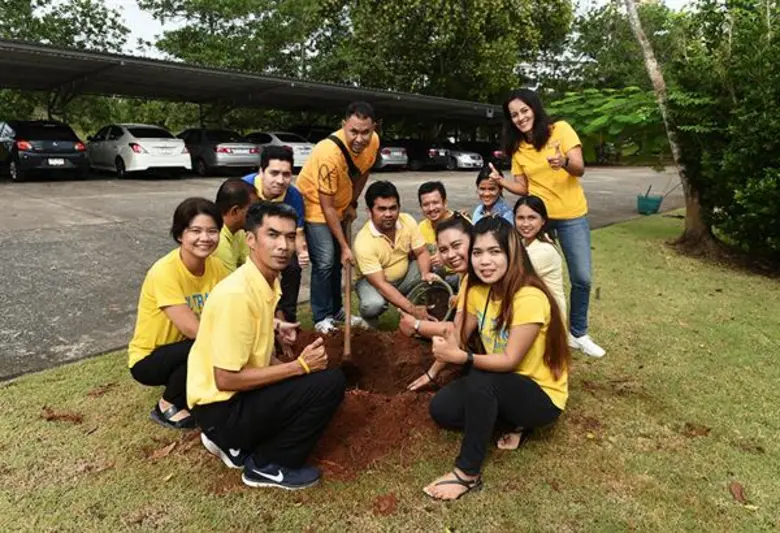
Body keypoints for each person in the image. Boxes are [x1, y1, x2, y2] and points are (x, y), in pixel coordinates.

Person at [187, 201, 346, 489]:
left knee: (310, 377)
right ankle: (268, 464)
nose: (283, 245)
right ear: (250, 240)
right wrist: (299, 367)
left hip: (222, 406)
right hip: (220, 408)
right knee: (330, 382)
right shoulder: (238, 295)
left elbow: (256, 356)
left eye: (289, 236)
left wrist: (295, 370)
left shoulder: (265, 282)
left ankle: (229, 441)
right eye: (272, 235)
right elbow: (225, 378)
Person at [421, 217, 570, 501]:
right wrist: (442, 347)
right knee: (443, 409)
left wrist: (463, 357)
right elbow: (460, 336)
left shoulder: (528, 296)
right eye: (477, 253)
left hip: (540, 396)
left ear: (512, 253)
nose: (485, 261)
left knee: (480, 376)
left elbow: (509, 360)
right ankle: (508, 423)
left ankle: (467, 473)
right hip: (504, 385)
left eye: (494, 252)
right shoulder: (479, 291)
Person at [490, 88, 605, 357]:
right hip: (539, 220)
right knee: (531, 275)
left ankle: (578, 333)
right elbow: (523, 187)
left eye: (524, 111)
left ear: (535, 108)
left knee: (582, 278)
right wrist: (500, 182)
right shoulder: (518, 148)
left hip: (572, 215)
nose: (520, 118)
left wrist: (563, 161)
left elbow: (579, 167)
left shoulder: (561, 130)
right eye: (514, 115)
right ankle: (536, 329)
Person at [128, 198, 229, 429]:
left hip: (184, 348)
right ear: (180, 235)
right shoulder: (165, 271)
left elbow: (235, 305)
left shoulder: (217, 267)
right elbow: (192, 330)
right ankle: (166, 405)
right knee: (209, 344)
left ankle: (196, 392)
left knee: (211, 344)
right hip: (149, 358)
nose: (205, 238)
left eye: (212, 231)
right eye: (196, 230)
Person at [296, 101, 380, 333]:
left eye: (366, 131)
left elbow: (363, 172)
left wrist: (352, 203)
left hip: (340, 203)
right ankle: (321, 317)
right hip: (315, 204)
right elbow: (326, 206)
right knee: (325, 260)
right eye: (353, 131)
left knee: (335, 264)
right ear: (344, 126)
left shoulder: (373, 142)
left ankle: (337, 311)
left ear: (374, 128)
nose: (360, 138)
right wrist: (344, 245)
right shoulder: (328, 154)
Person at [400, 213, 473, 391]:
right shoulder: (467, 277)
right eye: (443, 249)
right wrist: (431, 374)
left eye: (457, 245)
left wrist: (416, 325)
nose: (451, 255)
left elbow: (455, 332)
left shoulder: (476, 281)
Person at [353, 180, 436, 327]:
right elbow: (381, 285)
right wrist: (412, 309)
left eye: (393, 208)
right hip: (374, 283)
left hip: (404, 276)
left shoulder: (407, 221)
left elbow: (422, 252)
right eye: (382, 209)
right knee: (374, 304)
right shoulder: (363, 242)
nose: (388, 214)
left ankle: (424, 307)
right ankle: (368, 321)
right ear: (369, 211)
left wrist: (425, 276)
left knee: (434, 261)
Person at [242, 146, 309, 322]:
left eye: (286, 175)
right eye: (274, 173)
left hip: (276, 243)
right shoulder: (244, 189)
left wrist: (302, 252)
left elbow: (298, 232)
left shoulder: (294, 196)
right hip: (247, 244)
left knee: (293, 266)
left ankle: (288, 318)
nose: (280, 180)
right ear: (261, 172)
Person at [514, 195, 567, 321]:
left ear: (543, 220)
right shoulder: (522, 242)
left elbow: (512, 278)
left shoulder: (544, 250)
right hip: (532, 310)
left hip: (550, 319)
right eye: (520, 218)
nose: (525, 224)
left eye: (532, 218)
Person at [417, 181, 469, 290]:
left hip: (461, 275)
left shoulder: (460, 222)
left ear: (445, 202)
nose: (431, 208)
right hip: (437, 277)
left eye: (435, 202)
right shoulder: (420, 228)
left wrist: (445, 257)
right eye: (426, 204)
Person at [214, 178, 255, 272]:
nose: (256, 215)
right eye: (252, 210)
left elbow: (253, 265)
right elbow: (231, 283)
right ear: (235, 210)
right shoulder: (218, 241)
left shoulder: (238, 230)